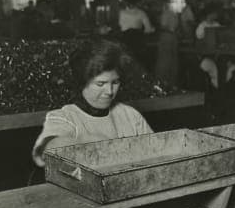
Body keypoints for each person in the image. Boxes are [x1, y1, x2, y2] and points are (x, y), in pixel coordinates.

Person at [31, 40, 152, 168]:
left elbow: (156, 151)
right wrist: (84, 142)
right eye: (100, 84)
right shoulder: (65, 117)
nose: (109, 92)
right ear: (82, 82)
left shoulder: (130, 116)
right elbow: (47, 150)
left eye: (115, 83)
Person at [118, 0, 154, 66]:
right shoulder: (141, 13)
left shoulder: (120, 13)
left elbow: (118, 27)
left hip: (124, 42)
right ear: (138, 2)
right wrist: (153, 29)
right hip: (137, 43)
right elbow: (148, 29)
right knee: (138, 63)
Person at [154, 0, 179, 86]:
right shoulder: (172, 9)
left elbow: (164, 25)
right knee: (172, 61)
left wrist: (156, 24)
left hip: (166, 36)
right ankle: (171, 83)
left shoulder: (165, 10)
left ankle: (162, 83)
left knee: (164, 61)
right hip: (173, 36)